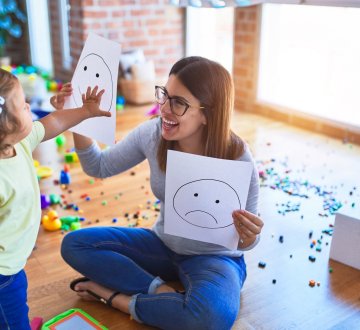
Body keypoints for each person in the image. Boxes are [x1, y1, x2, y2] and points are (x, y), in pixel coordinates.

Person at [60, 56, 264, 330]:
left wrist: (251, 236)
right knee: (73, 244)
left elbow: (244, 243)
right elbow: (99, 166)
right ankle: (158, 292)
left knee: (210, 318)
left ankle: (115, 297)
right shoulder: (153, 134)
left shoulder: (238, 156)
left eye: (178, 103)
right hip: (162, 245)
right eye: (165, 95)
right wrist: (80, 118)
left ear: (207, 112)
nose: (164, 109)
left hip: (215, 259)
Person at [0, 68, 111, 330]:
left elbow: (55, 122)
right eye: (23, 105)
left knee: (15, 304)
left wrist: (85, 111)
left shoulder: (21, 142)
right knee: (11, 313)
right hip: (3, 273)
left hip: (13, 263)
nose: (29, 106)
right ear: (5, 126)